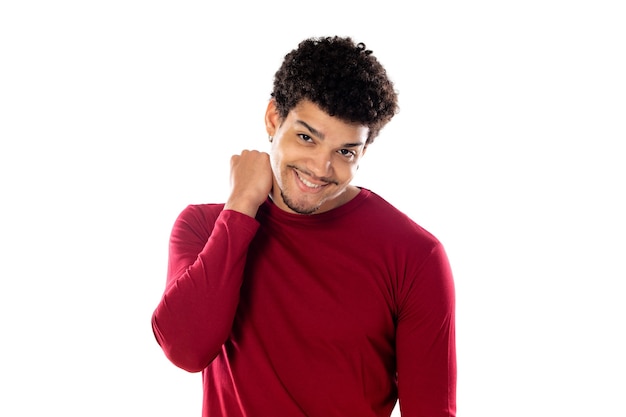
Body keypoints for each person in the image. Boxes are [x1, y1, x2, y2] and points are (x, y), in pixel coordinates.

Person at [151, 36, 456, 417]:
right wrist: (242, 206)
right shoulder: (205, 227)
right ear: (273, 119)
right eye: (306, 137)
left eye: (345, 151)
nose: (320, 168)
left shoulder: (415, 256)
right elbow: (185, 348)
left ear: (363, 152)